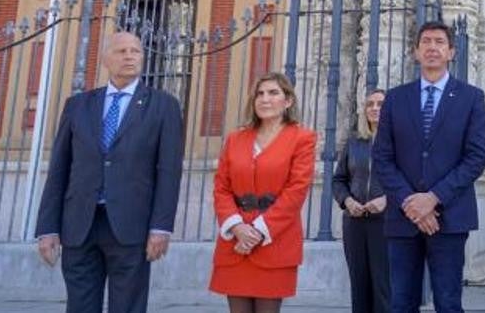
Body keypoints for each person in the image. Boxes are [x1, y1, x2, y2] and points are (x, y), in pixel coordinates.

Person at [35, 30, 185, 313]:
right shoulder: (78, 105)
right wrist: (47, 228)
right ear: (105, 59)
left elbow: (169, 172)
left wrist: (161, 227)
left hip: (132, 227)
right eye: (121, 51)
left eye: (136, 51)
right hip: (80, 224)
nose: (130, 56)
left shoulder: (164, 106)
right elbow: (59, 169)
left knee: (128, 306)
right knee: (79, 306)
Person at [372, 21, 485, 313]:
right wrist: (411, 203)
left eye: (439, 42)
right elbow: (383, 157)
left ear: (451, 51)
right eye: (426, 41)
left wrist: (433, 198)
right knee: (401, 302)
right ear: (415, 52)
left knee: (448, 302)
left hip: (449, 216)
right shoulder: (396, 99)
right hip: (403, 217)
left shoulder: (471, 98)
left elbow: (475, 157)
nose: (432, 47)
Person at [210, 72, 316, 312]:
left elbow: (296, 190)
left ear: (288, 101)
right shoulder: (235, 138)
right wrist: (237, 227)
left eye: (273, 93)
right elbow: (221, 188)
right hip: (235, 243)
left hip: (275, 241)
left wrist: (257, 231)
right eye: (260, 93)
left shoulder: (302, 138)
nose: (265, 99)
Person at [333, 89, 391, 313]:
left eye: (380, 104)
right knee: (359, 286)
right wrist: (347, 201)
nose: (375, 108)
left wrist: (387, 200)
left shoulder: (399, 142)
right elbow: (339, 179)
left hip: (385, 223)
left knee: (383, 287)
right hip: (355, 223)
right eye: (370, 104)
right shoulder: (355, 142)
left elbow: (411, 181)